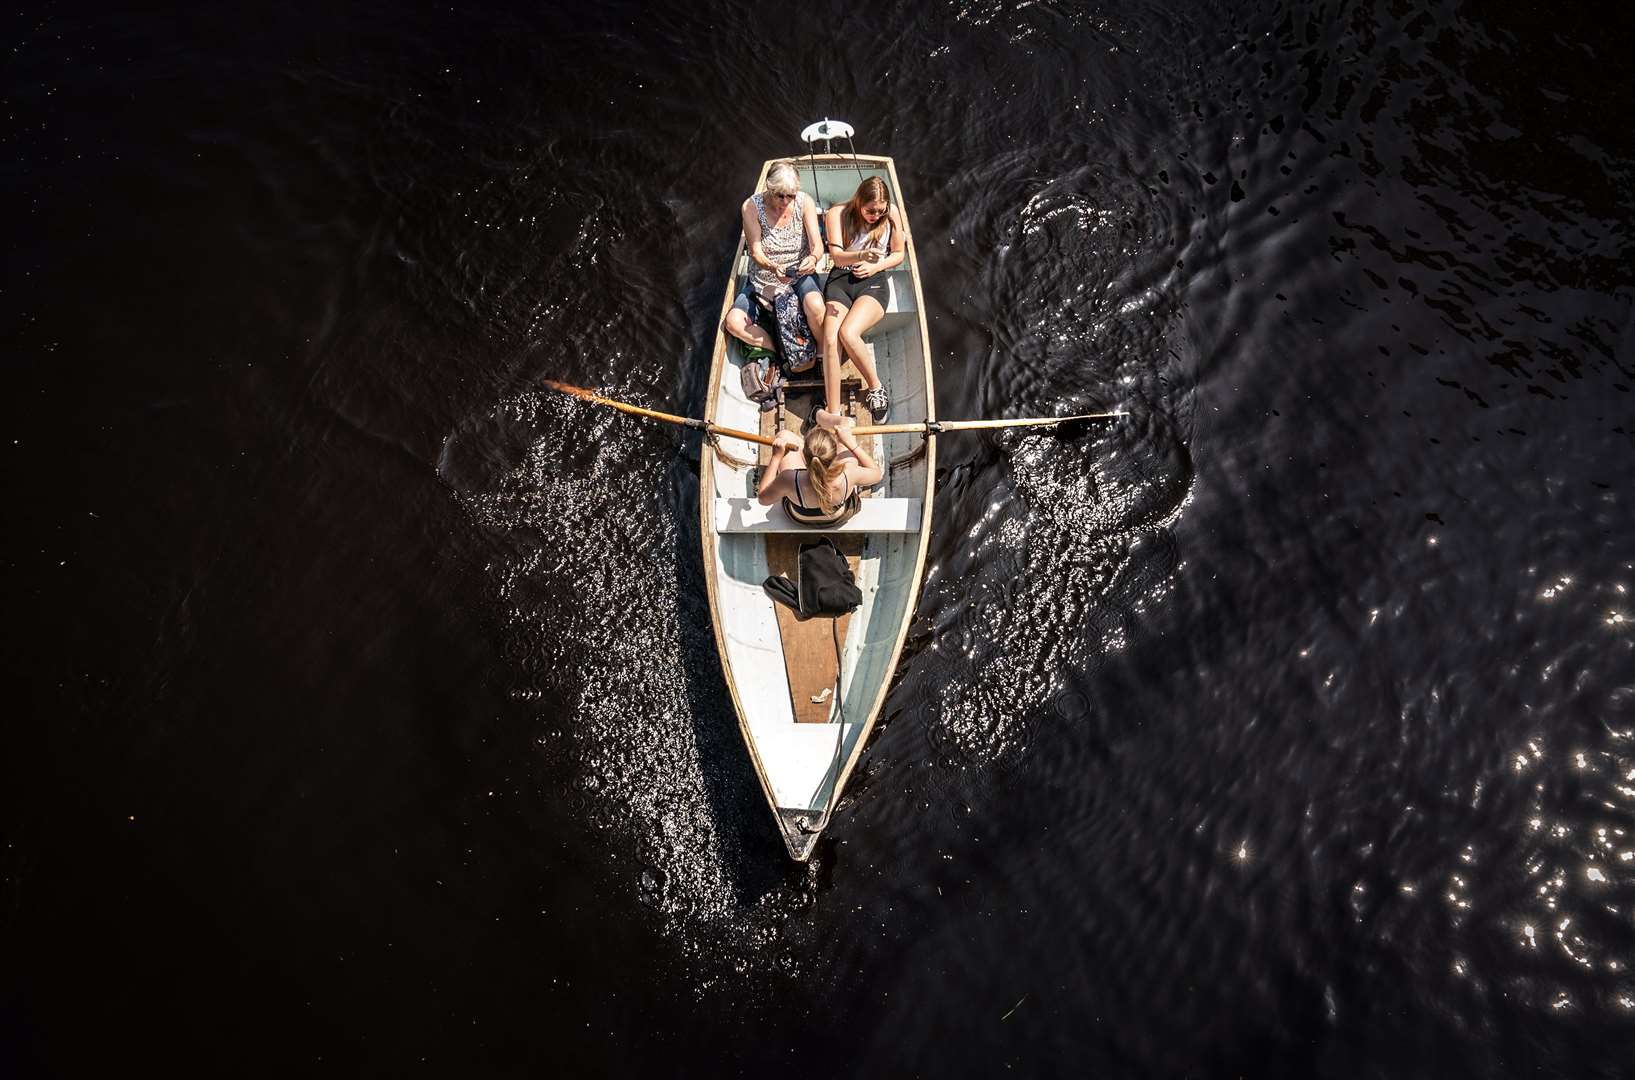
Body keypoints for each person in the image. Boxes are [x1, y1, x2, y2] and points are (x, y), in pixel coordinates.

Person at [815, 176, 906, 428]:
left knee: (848, 332)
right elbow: (837, 257)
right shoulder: (837, 213)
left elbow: (898, 254)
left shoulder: (892, 214)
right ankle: (833, 411)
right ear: (858, 202)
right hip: (841, 279)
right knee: (831, 338)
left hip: (873, 281)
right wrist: (861, 254)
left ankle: (876, 388)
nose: (876, 215)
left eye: (881, 210)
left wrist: (876, 263)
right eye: (870, 210)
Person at [724, 162, 825, 368]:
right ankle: (778, 351)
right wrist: (772, 267)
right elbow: (756, 252)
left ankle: (823, 350)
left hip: (799, 275)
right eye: (780, 195)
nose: (786, 201)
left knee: (816, 306)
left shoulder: (804, 203)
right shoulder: (752, 207)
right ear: (769, 189)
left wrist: (813, 259)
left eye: (791, 195)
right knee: (733, 323)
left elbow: (817, 246)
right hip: (764, 279)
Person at [756, 418, 883, 525]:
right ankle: (820, 415)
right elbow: (877, 474)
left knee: (784, 435)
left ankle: (817, 417)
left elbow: (763, 499)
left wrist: (776, 457)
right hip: (838, 516)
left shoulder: (788, 478)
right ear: (835, 455)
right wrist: (850, 443)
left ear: (804, 455)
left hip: (800, 517)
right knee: (847, 433)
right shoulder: (849, 473)